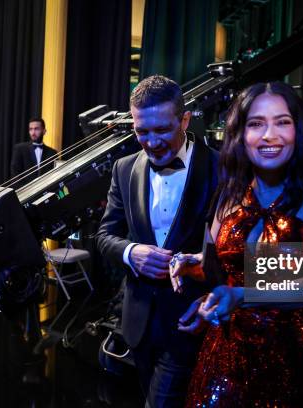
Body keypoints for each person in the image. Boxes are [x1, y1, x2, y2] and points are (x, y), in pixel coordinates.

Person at [173, 82, 303, 406]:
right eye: (256, 124)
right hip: (222, 360)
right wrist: (203, 285)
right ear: (240, 135)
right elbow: (227, 270)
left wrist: (241, 296)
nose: (269, 134)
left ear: (299, 130)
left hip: (293, 362)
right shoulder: (228, 195)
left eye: (282, 121)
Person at [95, 75, 218, 407]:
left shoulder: (220, 167)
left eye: (162, 129)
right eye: (141, 132)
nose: (152, 142)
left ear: (185, 119)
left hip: (194, 320)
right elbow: (105, 236)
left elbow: (233, 251)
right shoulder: (124, 169)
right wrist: (131, 252)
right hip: (139, 324)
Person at [10, 118, 57, 186]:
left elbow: (53, 176)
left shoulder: (52, 152)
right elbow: (15, 174)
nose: (33, 132)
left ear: (44, 131)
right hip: (24, 192)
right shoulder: (19, 149)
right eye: (30, 129)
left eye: (36, 129)